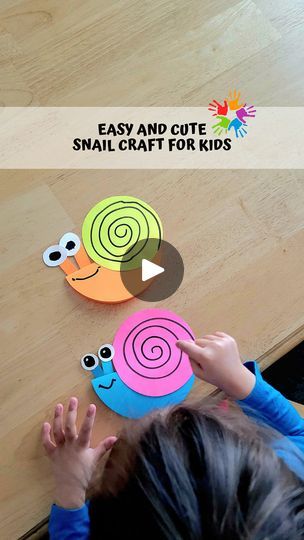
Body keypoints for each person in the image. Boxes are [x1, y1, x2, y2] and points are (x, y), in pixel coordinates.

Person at [42, 332, 304, 539]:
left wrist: (71, 487)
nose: (157, 410)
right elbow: (298, 433)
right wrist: (239, 380)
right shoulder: (290, 477)